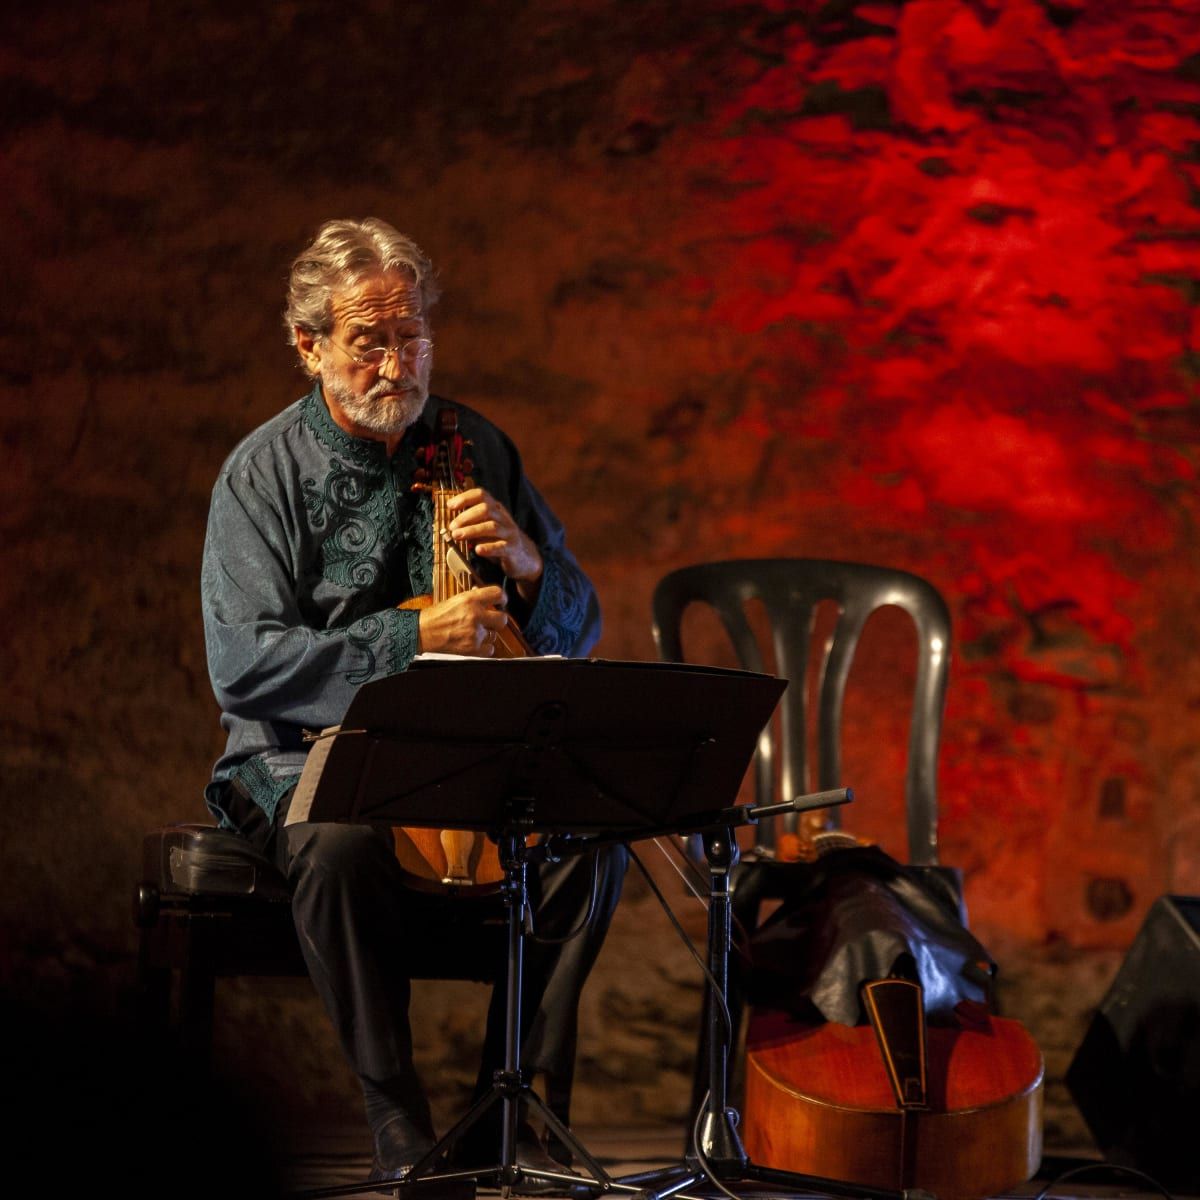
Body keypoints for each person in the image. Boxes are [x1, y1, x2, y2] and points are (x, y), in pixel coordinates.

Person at [201, 218, 625, 1188]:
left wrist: (526, 566)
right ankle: (396, 1118)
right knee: (337, 840)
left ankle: (502, 1105)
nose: (398, 364)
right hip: (303, 756)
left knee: (590, 847)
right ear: (309, 347)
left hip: (467, 757)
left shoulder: (474, 444)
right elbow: (244, 667)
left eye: (413, 337)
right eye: (370, 341)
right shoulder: (261, 476)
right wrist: (410, 639)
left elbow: (582, 624)